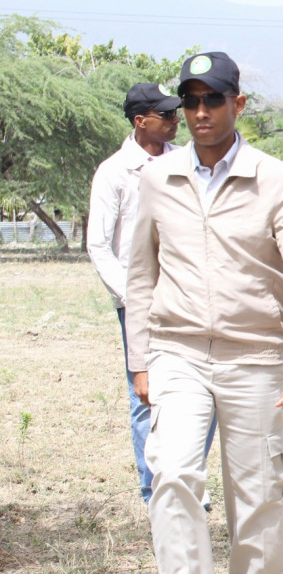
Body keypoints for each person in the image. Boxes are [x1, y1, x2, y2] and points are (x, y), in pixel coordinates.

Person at [127, 51, 283, 574]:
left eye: (212, 99)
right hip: (178, 352)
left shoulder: (275, 178)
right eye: (190, 101)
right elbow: (140, 273)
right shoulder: (158, 178)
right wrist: (140, 358)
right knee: (172, 474)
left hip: (256, 355)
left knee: (256, 489)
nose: (200, 112)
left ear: (237, 104)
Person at [87, 83, 213, 505]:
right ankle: (155, 492)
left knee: (202, 388)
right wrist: (131, 297)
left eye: (176, 113)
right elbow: (98, 244)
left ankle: (186, 480)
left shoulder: (188, 161)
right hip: (138, 302)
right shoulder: (114, 171)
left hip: (187, 293)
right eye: (167, 115)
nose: (177, 120)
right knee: (146, 395)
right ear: (140, 121)